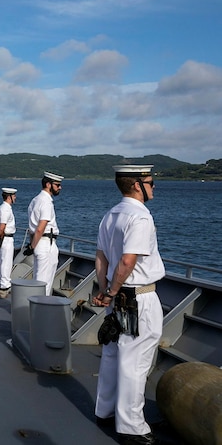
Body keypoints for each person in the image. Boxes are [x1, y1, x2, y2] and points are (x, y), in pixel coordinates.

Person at [92, 165, 164, 445]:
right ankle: (132, 426)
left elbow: (101, 258)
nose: (153, 186)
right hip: (139, 298)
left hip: (116, 298)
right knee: (136, 360)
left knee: (113, 354)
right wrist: (110, 292)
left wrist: (105, 290)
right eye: (150, 181)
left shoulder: (110, 215)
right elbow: (127, 261)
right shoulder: (140, 217)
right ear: (137, 185)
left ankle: (105, 411)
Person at [25, 171, 63, 295]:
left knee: (39, 278)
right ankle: (39, 311)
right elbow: (41, 228)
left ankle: (37, 309)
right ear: (48, 184)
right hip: (46, 243)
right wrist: (32, 246)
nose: (59, 188)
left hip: (39, 243)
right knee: (44, 282)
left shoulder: (35, 200)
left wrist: (32, 245)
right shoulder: (46, 202)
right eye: (57, 185)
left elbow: (33, 228)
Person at [0, 188, 17, 291]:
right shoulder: (6, 209)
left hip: (2, 238)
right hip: (6, 238)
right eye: (14, 195)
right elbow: (2, 227)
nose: (15, 197)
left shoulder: (1, 208)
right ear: (9, 197)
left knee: (1, 261)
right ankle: (5, 284)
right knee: (6, 261)